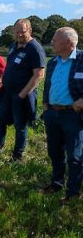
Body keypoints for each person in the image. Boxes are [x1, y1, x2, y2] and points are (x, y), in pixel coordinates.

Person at [0, 19, 46, 161]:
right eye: (17, 32)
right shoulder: (14, 46)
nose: (20, 35)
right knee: (0, 121)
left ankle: (17, 157)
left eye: (23, 32)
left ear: (30, 30)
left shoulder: (34, 48)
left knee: (20, 126)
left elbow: (39, 75)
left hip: (21, 95)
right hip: (7, 92)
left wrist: (22, 94)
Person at [40, 27, 83, 204]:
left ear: (68, 43)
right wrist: (45, 107)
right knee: (54, 151)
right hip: (53, 113)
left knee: (74, 155)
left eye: (55, 40)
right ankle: (56, 183)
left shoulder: (81, 60)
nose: (52, 43)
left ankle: (73, 193)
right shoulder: (53, 62)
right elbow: (48, 85)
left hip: (73, 115)